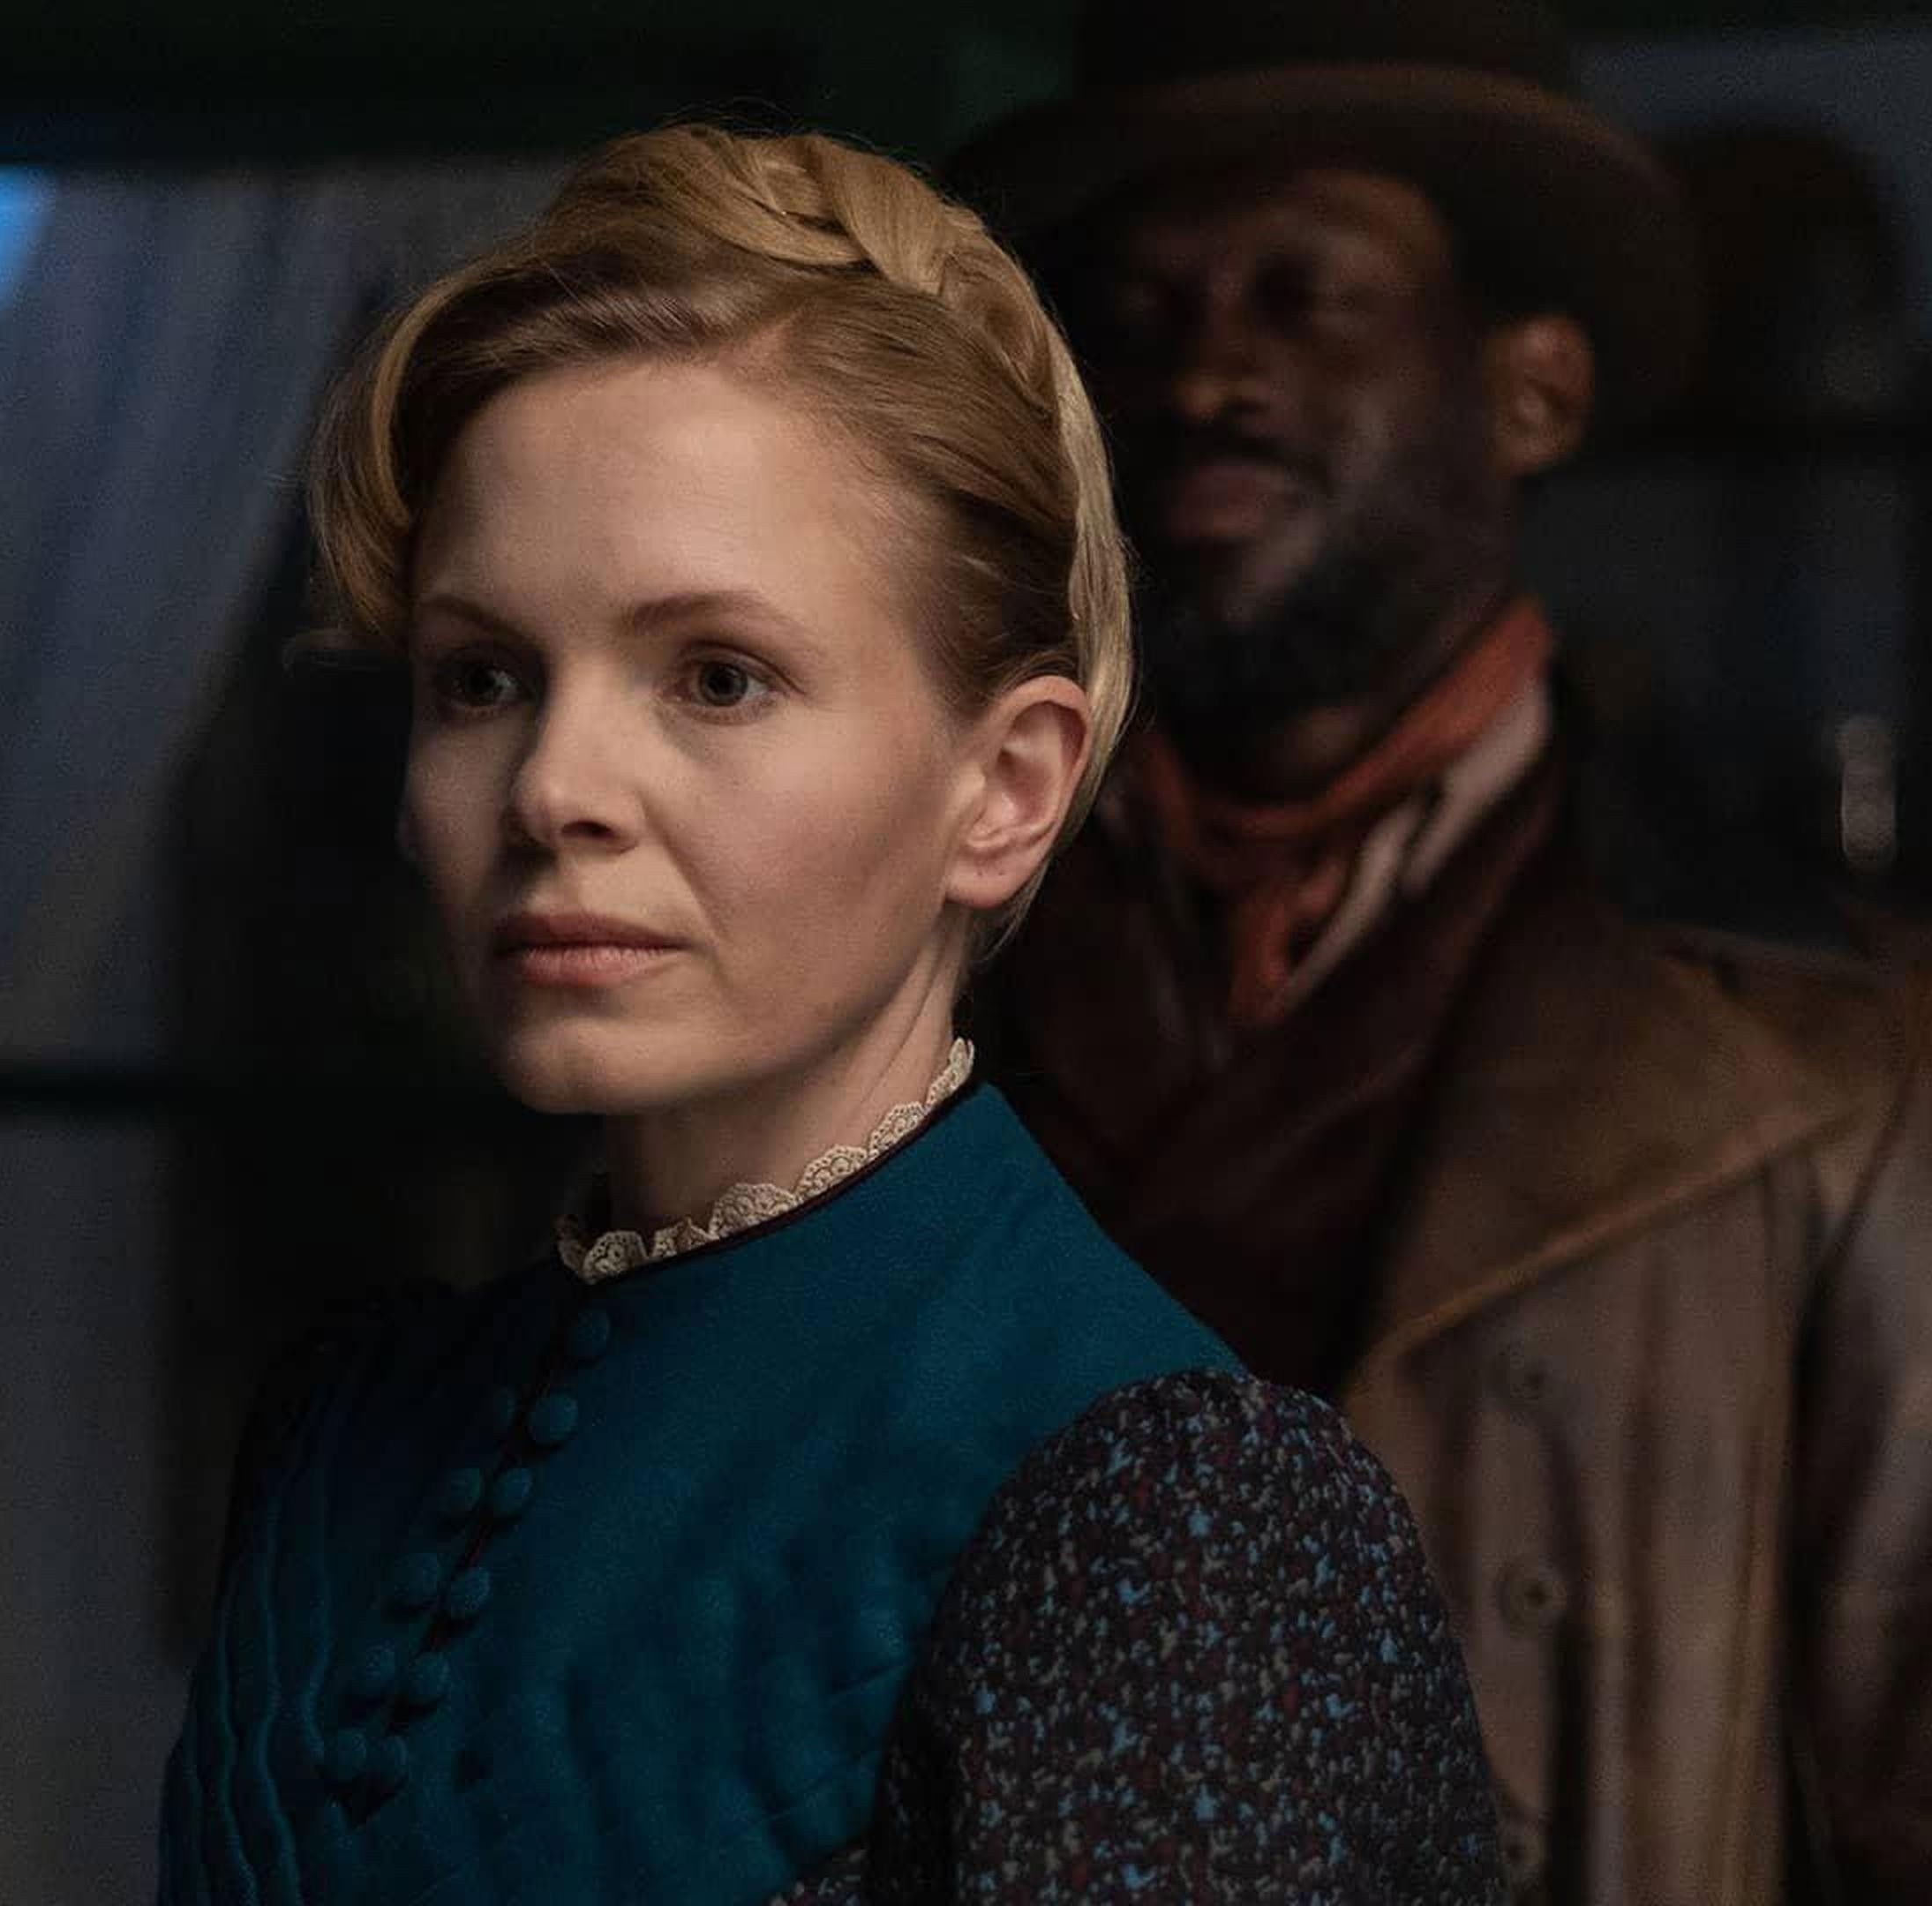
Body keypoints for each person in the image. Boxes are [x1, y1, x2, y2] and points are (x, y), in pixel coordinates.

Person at [154, 125, 1502, 1905]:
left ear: (1006, 789)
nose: (553, 786)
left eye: (718, 677)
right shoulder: (355, 1420)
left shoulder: (1178, 1519)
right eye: (482, 677)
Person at [951, 5, 1932, 1902]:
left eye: (1306, 297)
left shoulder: (1858, 1058)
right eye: (1140, 319)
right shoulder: (921, 956)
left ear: (1533, 394)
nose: (1204, 375)